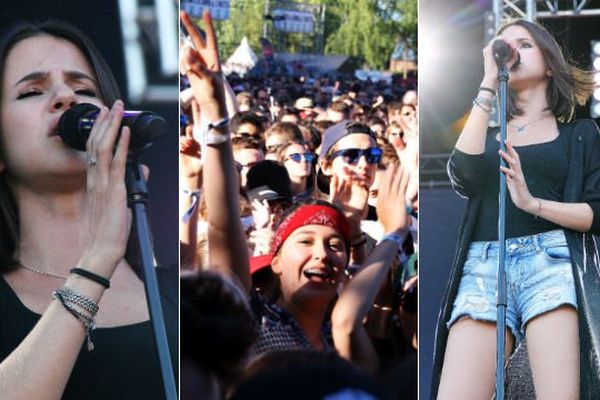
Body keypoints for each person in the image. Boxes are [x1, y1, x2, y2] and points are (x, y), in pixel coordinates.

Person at [180, 8, 410, 377]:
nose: (322, 254)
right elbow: (224, 227)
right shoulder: (250, 320)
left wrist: (354, 232)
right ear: (274, 259)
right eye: (305, 241)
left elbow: (360, 311)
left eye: (334, 247)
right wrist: (215, 114)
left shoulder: (348, 345)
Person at [0, 20, 177, 399]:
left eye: (84, 89)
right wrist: (97, 259)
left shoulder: (171, 292)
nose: (67, 97)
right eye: (32, 91)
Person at [432, 19, 599, 399]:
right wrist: (489, 82)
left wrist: (532, 204)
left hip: (552, 261)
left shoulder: (580, 134)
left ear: (550, 63)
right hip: (484, 265)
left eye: (524, 44)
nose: (511, 51)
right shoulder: (488, 136)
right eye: (503, 45)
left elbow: (595, 214)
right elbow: (463, 174)